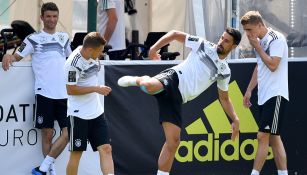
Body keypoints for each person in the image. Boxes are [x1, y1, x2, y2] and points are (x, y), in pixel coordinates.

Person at [117, 28, 241, 175]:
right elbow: (175, 34)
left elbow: (224, 98)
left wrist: (235, 118)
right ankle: (138, 80)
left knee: (174, 142)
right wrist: (153, 49)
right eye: (221, 38)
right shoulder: (203, 44)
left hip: (178, 99)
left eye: (226, 41)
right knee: (149, 86)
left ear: (233, 47)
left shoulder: (225, 71)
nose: (221, 42)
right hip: (173, 78)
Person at [2, 2, 71, 175]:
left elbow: (72, 61)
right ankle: (50, 171)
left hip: (64, 94)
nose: (51, 20)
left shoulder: (64, 38)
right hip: (44, 93)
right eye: (48, 16)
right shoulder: (33, 39)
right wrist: (7, 56)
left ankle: (43, 168)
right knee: (47, 135)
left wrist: (92, 60)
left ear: (57, 17)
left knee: (68, 133)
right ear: (42, 18)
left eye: (54, 16)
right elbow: (16, 57)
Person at [241, 11, 289, 175]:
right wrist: (249, 90)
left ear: (260, 25)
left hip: (276, 95)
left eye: (249, 29)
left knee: (262, 136)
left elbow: (273, 65)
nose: (247, 34)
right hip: (263, 96)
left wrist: (258, 47)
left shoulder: (276, 39)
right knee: (274, 138)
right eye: (246, 31)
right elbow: (259, 66)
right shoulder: (259, 42)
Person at [64, 32, 114, 175]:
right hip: (78, 115)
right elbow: (71, 90)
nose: (101, 54)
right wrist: (96, 89)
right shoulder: (73, 64)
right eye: (100, 51)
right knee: (76, 154)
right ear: (90, 50)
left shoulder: (91, 53)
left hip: (97, 113)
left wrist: (95, 89)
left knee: (106, 149)